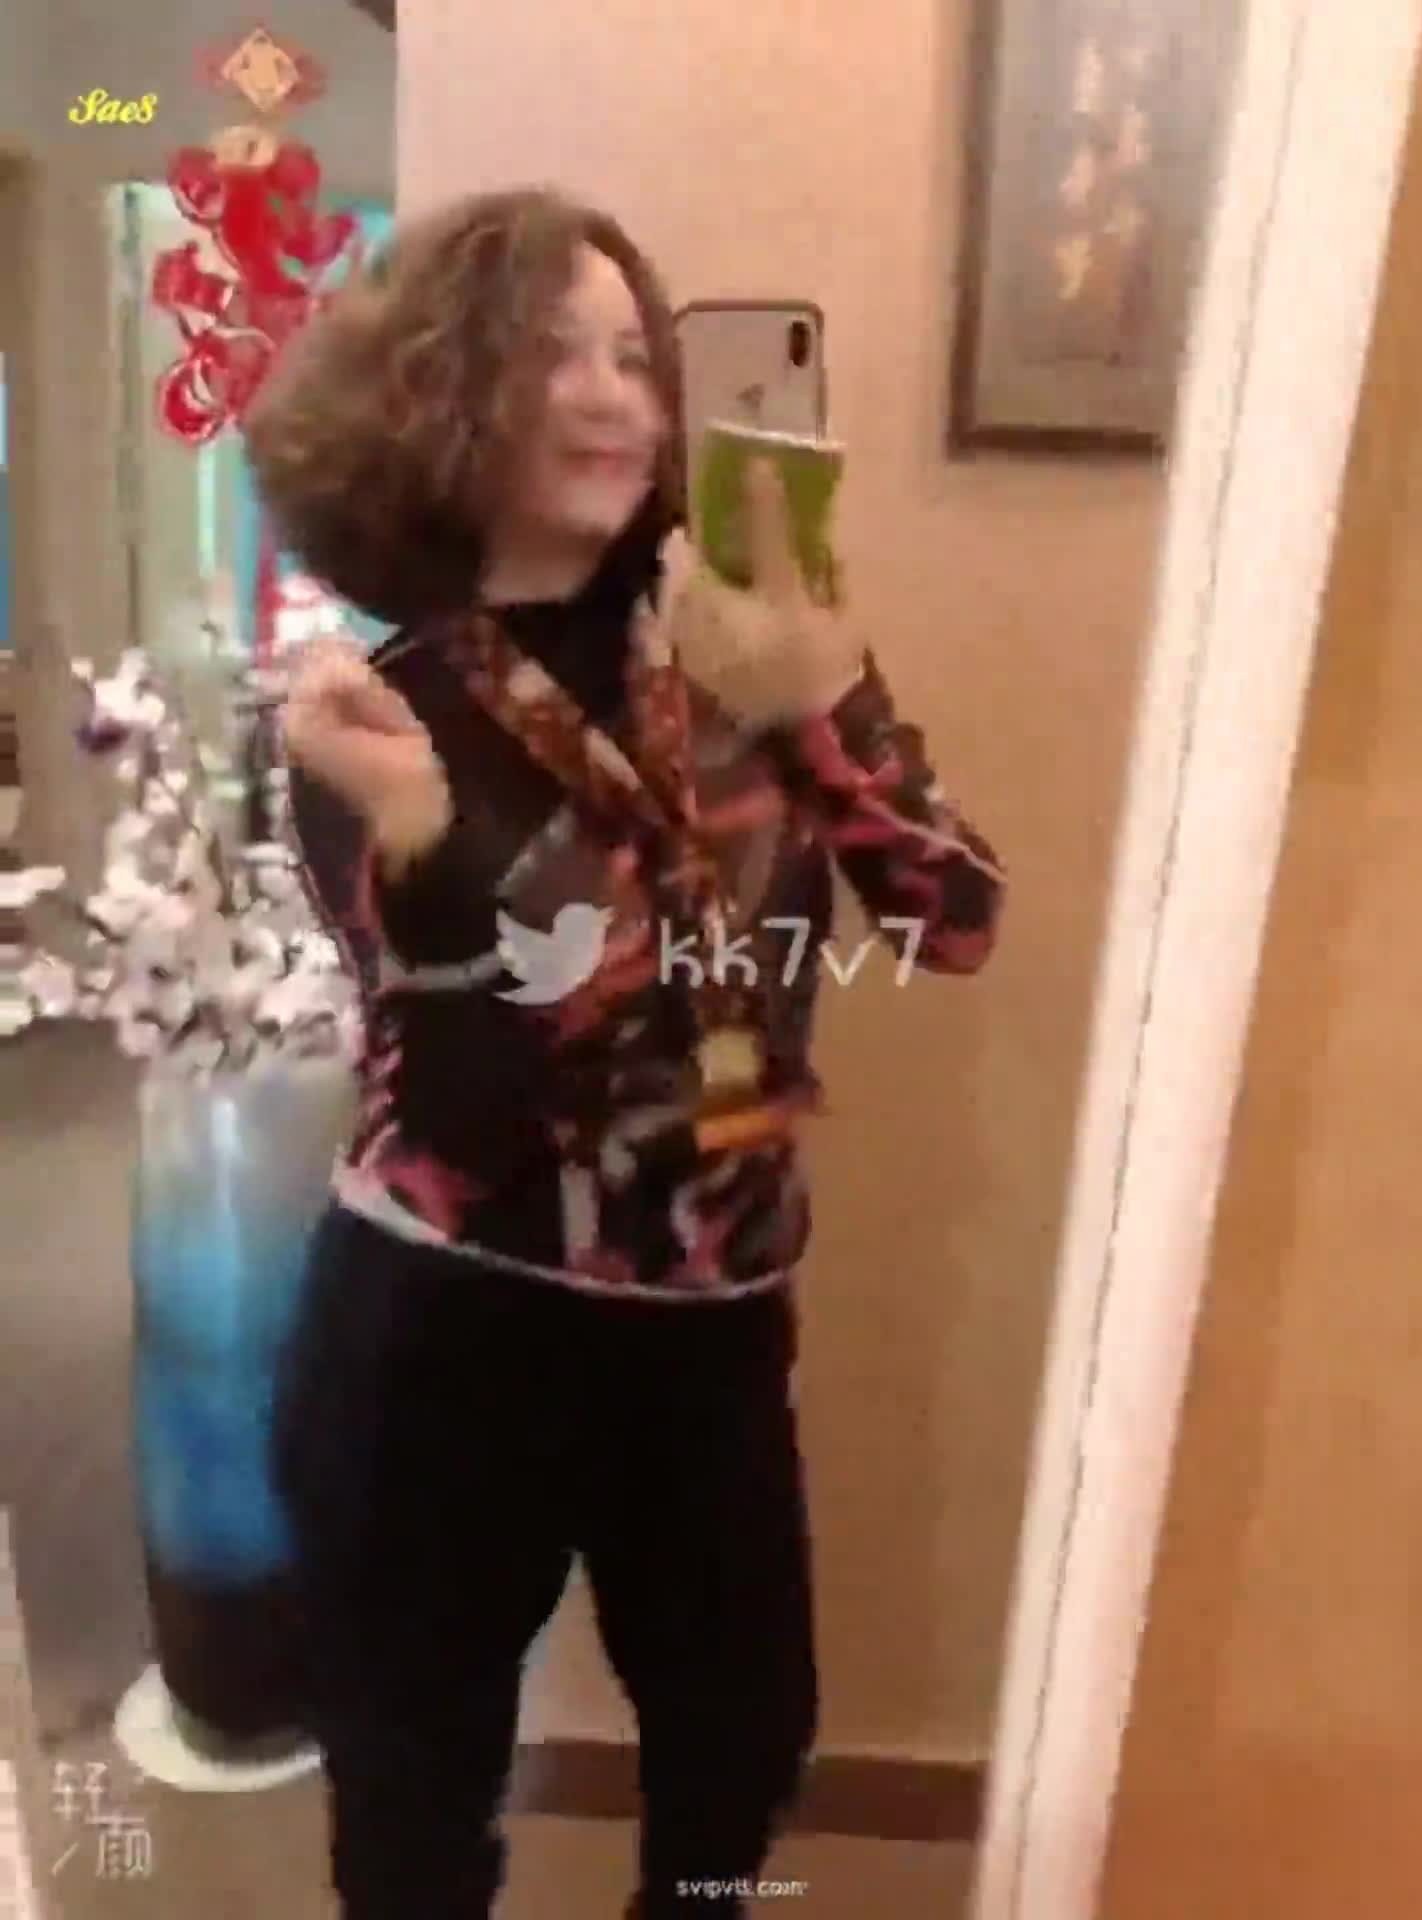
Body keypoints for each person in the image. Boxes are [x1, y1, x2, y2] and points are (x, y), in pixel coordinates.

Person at [246, 186, 1005, 1920]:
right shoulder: (376, 716)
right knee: (416, 1811)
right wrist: (427, 840)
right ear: (442, 392)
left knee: (739, 1767)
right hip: (449, 1334)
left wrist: (826, 694)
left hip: (712, 1334)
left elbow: (955, 924)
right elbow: (480, 1093)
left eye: (635, 359)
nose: (612, 399)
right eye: (550, 355)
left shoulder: (749, 666)